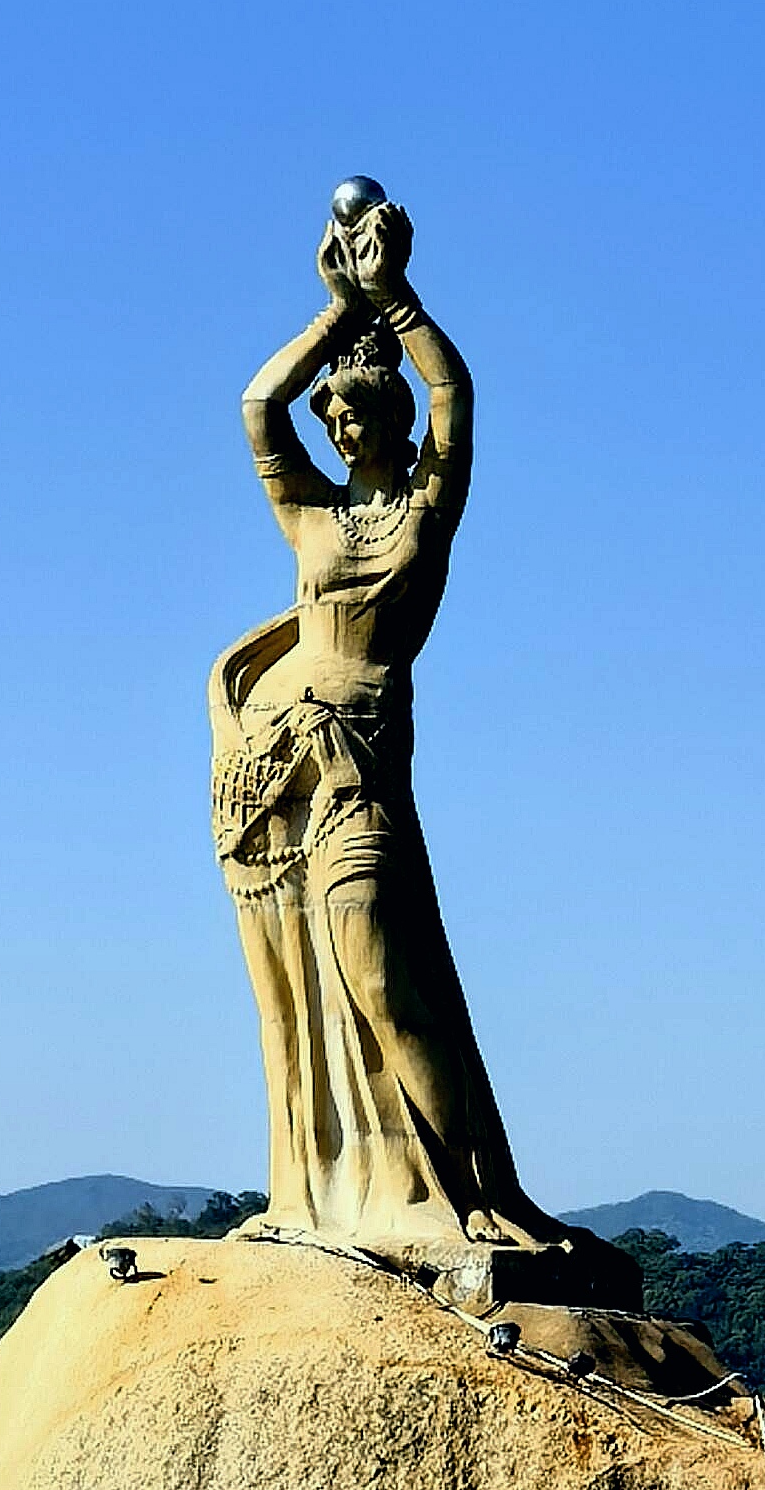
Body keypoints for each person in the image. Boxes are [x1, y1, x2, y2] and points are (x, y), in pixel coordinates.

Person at [213, 198, 572, 1255]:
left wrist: (396, 301)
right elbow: (256, 406)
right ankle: (312, 1190)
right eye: (330, 409)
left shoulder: (425, 514)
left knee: (379, 976)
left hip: (363, 771)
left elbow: (456, 396)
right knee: (294, 1001)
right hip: (281, 775)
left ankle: (462, 1194)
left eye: (356, 404)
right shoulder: (310, 516)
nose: (336, 421)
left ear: (391, 412)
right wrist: (337, 311)